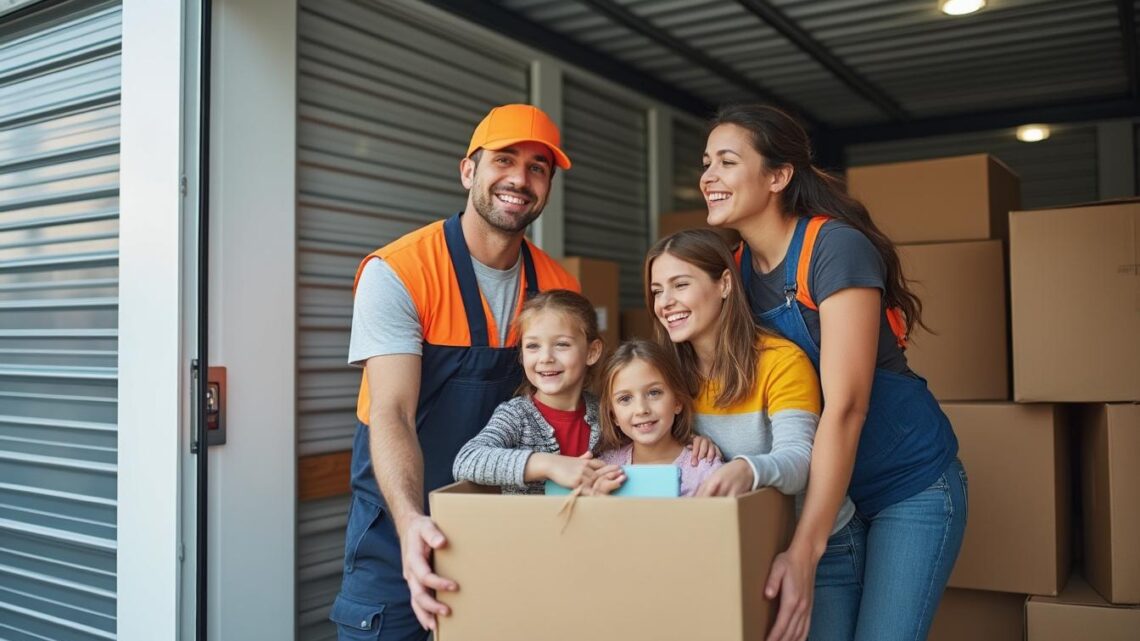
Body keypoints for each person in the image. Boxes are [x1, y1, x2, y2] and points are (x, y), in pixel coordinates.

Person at [701, 103, 966, 641]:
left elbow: (846, 406)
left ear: (778, 176)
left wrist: (803, 550)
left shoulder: (833, 248)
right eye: (705, 162)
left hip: (906, 484)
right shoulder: (737, 272)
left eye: (727, 162)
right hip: (829, 499)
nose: (708, 177)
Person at [333, 104, 582, 641]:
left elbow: (582, 410)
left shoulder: (560, 289)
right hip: (398, 530)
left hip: (511, 535)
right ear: (469, 171)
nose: (520, 178)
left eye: (539, 167)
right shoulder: (399, 271)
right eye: (505, 160)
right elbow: (391, 412)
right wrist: (409, 523)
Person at [644, 229, 831, 505]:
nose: (665, 303)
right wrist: (687, 442)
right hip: (733, 533)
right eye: (657, 291)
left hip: (820, 538)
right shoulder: (667, 373)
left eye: (680, 285)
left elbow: (800, 461)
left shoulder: (781, 361)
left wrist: (746, 468)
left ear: (725, 284)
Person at [452, 289, 616, 494]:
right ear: (521, 355)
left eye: (562, 344)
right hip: (529, 526)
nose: (546, 357)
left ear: (592, 352)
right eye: (533, 346)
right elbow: (466, 460)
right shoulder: (516, 415)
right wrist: (549, 465)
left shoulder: (605, 414)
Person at [588, 339, 723, 497]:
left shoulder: (705, 471)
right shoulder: (605, 467)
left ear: (677, 401)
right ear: (613, 415)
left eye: (654, 393)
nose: (641, 409)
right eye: (625, 399)